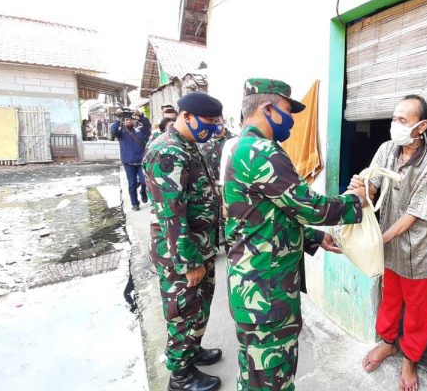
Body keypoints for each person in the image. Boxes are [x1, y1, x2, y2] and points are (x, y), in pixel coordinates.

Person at [224, 78, 369, 390]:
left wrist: (315, 238)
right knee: (271, 379)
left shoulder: (245, 147)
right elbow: (309, 206)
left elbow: (273, 214)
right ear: (269, 109)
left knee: (255, 375)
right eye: (289, 110)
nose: (293, 118)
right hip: (266, 293)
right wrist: (356, 200)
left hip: (255, 286)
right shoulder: (262, 152)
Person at [350, 95, 427, 391]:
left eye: (402, 120)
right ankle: (388, 343)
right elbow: (373, 187)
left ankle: (410, 358)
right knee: (389, 297)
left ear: (421, 126)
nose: (395, 125)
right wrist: (361, 189)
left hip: (417, 249)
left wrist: (378, 240)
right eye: (394, 118)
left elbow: (413, 216)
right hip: (388, 246)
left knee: (417, 307)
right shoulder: (386, 150)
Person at [143, 92, 225, 391]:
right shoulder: (168, 152)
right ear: (186, 116)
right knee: (183, 312)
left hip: (199, 244)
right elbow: (171, 215)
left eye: (217, 122)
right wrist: (189, 263)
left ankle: (192, 351)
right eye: (209, 122)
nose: (214, 128)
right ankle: (180, 376)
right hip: (180, 251)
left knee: (198, 307)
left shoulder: (188, 145)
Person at [199, 116, 234, 251]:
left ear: (223, 121)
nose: (216, 124)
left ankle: (230, 244)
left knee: (228, 216)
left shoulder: (233, 140)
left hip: (228, 185)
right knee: (213, 217)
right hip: (211, 186)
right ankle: (215, 242)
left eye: (218, 121)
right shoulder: (204, 141)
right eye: (212, 121)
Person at [110, 110, 151, 210]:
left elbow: (147, 126)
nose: (128, 121)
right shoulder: (121, 133)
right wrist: (118, 119)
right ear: (124, 122)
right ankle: (135, 204)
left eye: (130, 120)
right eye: (126, 120)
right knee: (132, 184)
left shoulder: (141, 131)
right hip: (128, 163)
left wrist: (141, 116)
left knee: (144, 182)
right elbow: (113, 131)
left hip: (141, 162)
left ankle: (143, 192)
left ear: (134, 122)